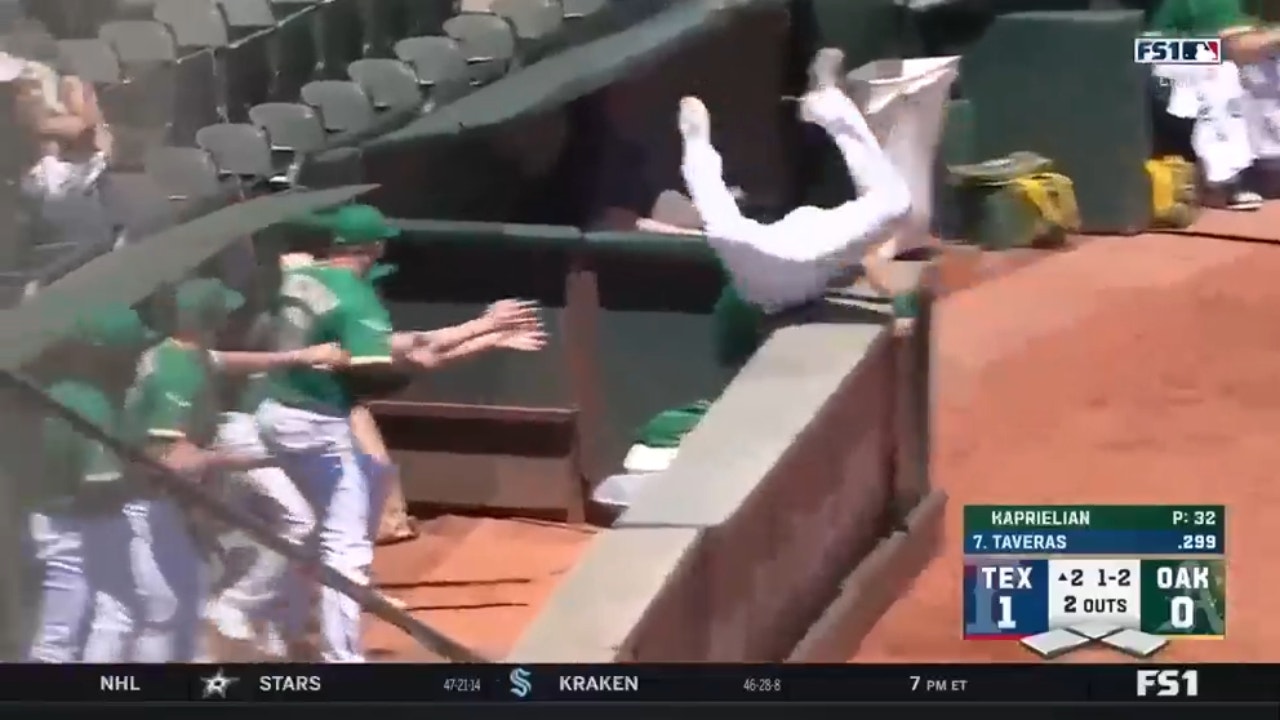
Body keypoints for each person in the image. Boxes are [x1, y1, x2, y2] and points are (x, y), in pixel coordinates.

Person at [255, 203, 547, 662]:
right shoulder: (355, 300)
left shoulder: (304, 274)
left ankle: (286, 625)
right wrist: (485, 326)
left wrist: (487, 336)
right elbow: (409, 356)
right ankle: (338, 658)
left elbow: (414, 350)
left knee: (370, 478)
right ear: (372, 248)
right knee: (342, 542)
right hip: (308, 422)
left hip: (278, 412)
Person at [92, 278, 343, 662]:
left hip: (156, 500)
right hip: (147, 504)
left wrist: (296, 357)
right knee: (162, 610)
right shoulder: (180, 374)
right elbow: (170, 458)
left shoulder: (180, 352)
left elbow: (225, 361)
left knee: (176, 604)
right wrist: (244, 458)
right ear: (213, 318)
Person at [678, 48, 913, 365]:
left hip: (796, 254)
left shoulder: (759, 279)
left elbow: (868, 267)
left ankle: (824, 100)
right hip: (784, 267)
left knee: (725, 232)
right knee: (896, 200)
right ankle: (825, 101)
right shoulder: (753, 289)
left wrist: (885, 294)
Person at [26, 305, 156, 663]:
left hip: (53, 515)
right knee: (115, 616)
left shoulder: (59, 388)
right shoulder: (94, 404)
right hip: (81, 524)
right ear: (108, 355)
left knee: (59, 634)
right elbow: (101, 485)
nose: (136, 360)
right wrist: (148, 479)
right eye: (132, 352)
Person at [1148, 0, 1278, 210]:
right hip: (1165, 62)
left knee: (1261, 65)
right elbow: (1236, 48)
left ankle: (1271, 166)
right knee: (1222, 74)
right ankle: (1223, 181)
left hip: (1226, 60)